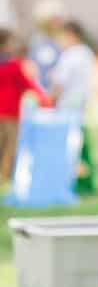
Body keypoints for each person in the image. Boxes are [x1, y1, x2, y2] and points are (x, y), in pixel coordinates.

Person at [0, 27, 52, 183]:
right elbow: (27, 84)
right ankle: (4, 175)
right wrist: (44, 99)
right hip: (10, 111)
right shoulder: (14, 65)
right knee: (10, 146)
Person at [50, 20, 97, 193]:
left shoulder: (69, 56)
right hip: (79, 105)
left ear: (71, 34)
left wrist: (51, 101)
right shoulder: (86, 53)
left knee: (71, 148)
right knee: (81, 146)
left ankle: (74, 182)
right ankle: (85, 181)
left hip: (66, 107)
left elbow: (59, 84)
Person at [28, 0, 67, 88]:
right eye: (55, 19)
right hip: (44, 88)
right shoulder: (39, 41)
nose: (59, 22)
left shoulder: (61, 39)